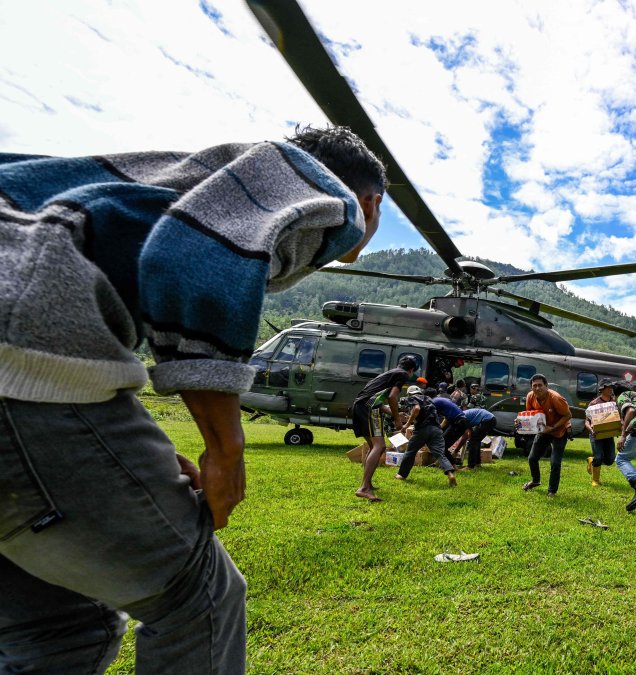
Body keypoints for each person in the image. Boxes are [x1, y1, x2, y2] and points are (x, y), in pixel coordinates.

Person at [0, 124, 385, 673]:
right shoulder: (317, 192)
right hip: (24, 355)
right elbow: (193, 259)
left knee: (61, 634)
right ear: (369, 202)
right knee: (198, 599)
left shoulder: (168, 174)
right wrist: (225, 447)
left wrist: (130, 453)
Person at [354, 356, 419, 501]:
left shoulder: (388, 374)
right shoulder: (402, 374)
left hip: (359, 406)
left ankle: (367, 484)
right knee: (380, 446)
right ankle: (364, 488)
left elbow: (375, 399)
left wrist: (394, 412)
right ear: (411, 370)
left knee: (373, 447)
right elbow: (392, 397)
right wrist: (397, 420)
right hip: (369, 408)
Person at [394, 385, 458, 487]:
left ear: (410, 393)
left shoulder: (413, 398)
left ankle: (401, 475)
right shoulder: (428, 398)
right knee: (439, 454)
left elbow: (416, 408)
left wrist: (406, 425)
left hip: (422, 429)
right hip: (436, 429)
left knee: (410, 451)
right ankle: (450, 474)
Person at [522, 374, 572, 496]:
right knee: (532, 458)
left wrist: (553, 427)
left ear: (546, 386)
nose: (537, 388)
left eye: (540, 385)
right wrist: (520, 422)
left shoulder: (555, 398)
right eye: (534, 386)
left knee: (555, 462)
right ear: (531, 388)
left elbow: (568, 415)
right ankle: (535, 480)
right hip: (543, 431)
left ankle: (552, 491)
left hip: (559, 431)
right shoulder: (530, 396)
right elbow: (530, 415)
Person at [583, 379, 618, 486]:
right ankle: (595, 480)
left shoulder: (614, 402)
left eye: (611, 387)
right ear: (602, 389)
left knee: (610, 460)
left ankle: (591, 460)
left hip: (608, 434)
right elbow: (586, 421)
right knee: (599, 457)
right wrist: (591, 430)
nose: (611, 389)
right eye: (608, 387)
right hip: (596, 434)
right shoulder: (594, 403)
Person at [431, 393, 469, 465]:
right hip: (460, 422)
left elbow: (431, 418)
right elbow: (446, 419)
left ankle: (454, 467)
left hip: (458, 423)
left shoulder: (433, 403)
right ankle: (437, 463)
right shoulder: (442, 401)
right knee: (442, 443)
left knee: (442, 446)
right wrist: (440, 428)